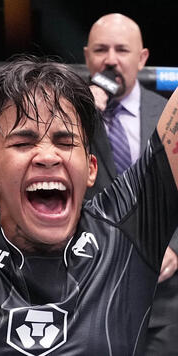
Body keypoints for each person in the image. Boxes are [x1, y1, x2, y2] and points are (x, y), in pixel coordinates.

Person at [0, 56, 178, 356]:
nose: (47, 155)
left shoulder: (127, 231)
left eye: (65, 142)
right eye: (23, 142)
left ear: (91, 168)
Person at [84, 13, 178, 355]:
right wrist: (82, 117)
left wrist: (175, 248)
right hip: (90, 291)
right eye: (101, 49)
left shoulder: (169, 114)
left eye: (121, 50)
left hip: (163, 302)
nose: (110, 59)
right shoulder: (69, 118)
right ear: (86, 57)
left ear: (142, 58)